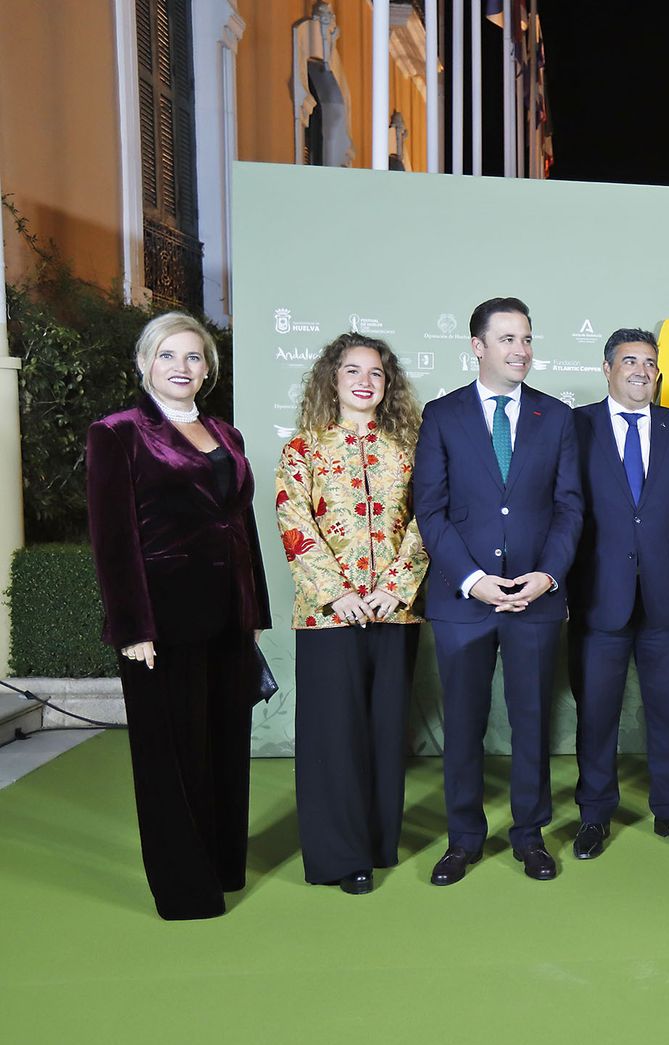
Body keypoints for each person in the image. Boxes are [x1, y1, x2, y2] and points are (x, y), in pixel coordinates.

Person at [86, 311, 271, 920]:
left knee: (223, 745)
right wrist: (132, 627)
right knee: (170, 756)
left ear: (208, 370)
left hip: (227, 617)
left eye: (194, 357)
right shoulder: (117, 433)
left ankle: (222, 865)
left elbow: (239, 526)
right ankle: (184, 888)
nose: (182, 367)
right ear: (145, 363)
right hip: (160, 621)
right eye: (168, 355)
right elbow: (112, 542)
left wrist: (254, 610)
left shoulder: (228, 435)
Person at [412, 297, 582, 885]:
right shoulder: (441, 416)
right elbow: (429, 511)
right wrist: (474, 581)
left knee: (532, 722)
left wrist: (547, 575)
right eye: (508, 339)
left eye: (527, 339)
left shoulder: (556, 419)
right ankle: (462, 839)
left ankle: (530, 836)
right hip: (464, 602)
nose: (522, 351)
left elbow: (569, 508)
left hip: (537, 598)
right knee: (463, 724)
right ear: (478, 347)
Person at [275, 333, 428, 895]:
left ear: (388, 386)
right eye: (352, 371)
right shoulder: (304, 449)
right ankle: (342, 856)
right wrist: (336, 593)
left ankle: (380, 840)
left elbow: (425, 523)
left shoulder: (408, 450)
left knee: (386, 733)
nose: (365, 381)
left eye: (376, 373)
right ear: (331, 380)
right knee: (332, 738)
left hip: (394, 612)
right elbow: (294, 522)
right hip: (327, 617)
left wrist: (396, 587)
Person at [567, 328, 669, 859]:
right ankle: (593, 816)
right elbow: (561, 512)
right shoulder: (576, 426)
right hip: (595, 598)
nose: (641, 370)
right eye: (629, 361)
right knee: (597, 715)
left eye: (650, 363)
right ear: (606, 370)